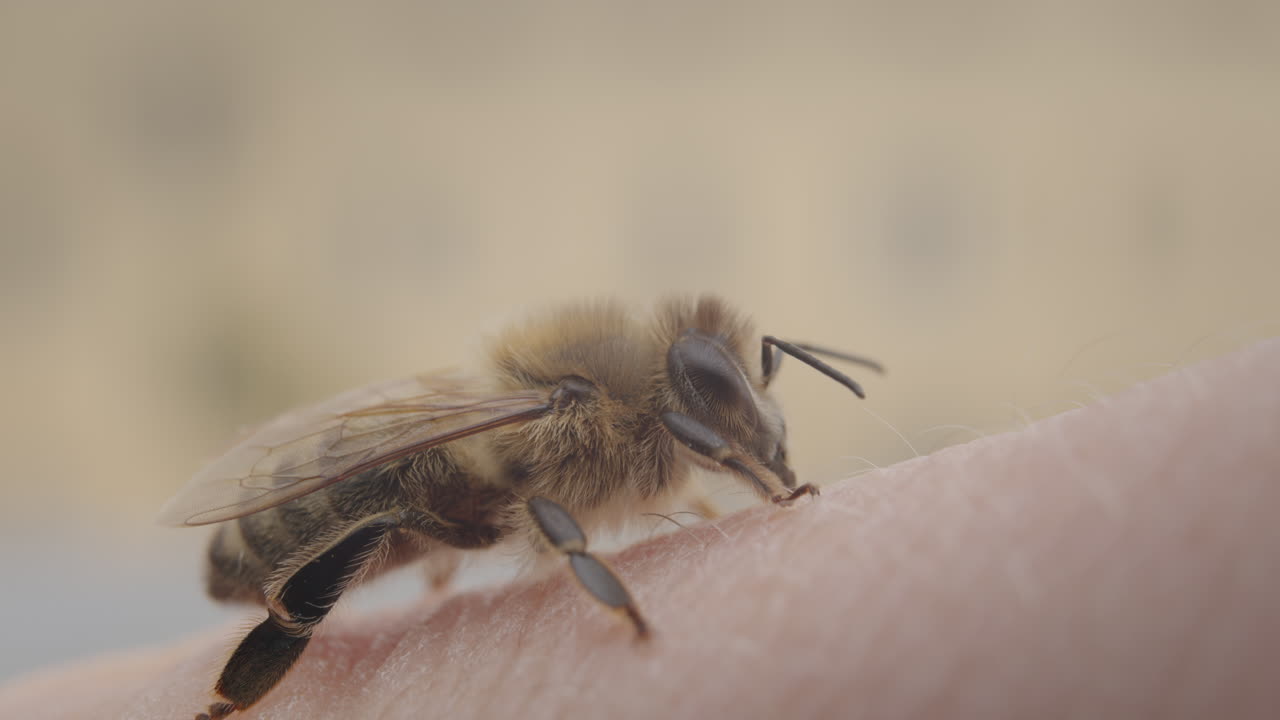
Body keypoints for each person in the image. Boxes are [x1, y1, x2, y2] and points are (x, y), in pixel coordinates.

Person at [2, 340, 1277, 719]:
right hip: (322, 518)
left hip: (429, 496)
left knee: (428, 504)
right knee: (395, 500)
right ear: (668, 404)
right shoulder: (577, 415)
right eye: (726, 416)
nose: (742, 427)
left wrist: (754, 489)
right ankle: (239, 698)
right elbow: (531, 501)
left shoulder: (637, 429)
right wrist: (602, 597)